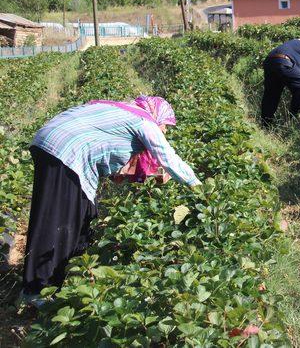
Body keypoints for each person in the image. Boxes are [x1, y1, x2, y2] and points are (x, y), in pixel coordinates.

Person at [22, 96, 201, 301]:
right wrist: (198, 187)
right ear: (157, 116)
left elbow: (115, 167)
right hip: (66, 151)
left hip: (48, 142)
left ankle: (52, 284)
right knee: (62, 221)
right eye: (165, 126)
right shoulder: (144, 122)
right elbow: (168, 157)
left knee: (61, 213)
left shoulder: (120, 111)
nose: (165, 132)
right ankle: (39, 291)